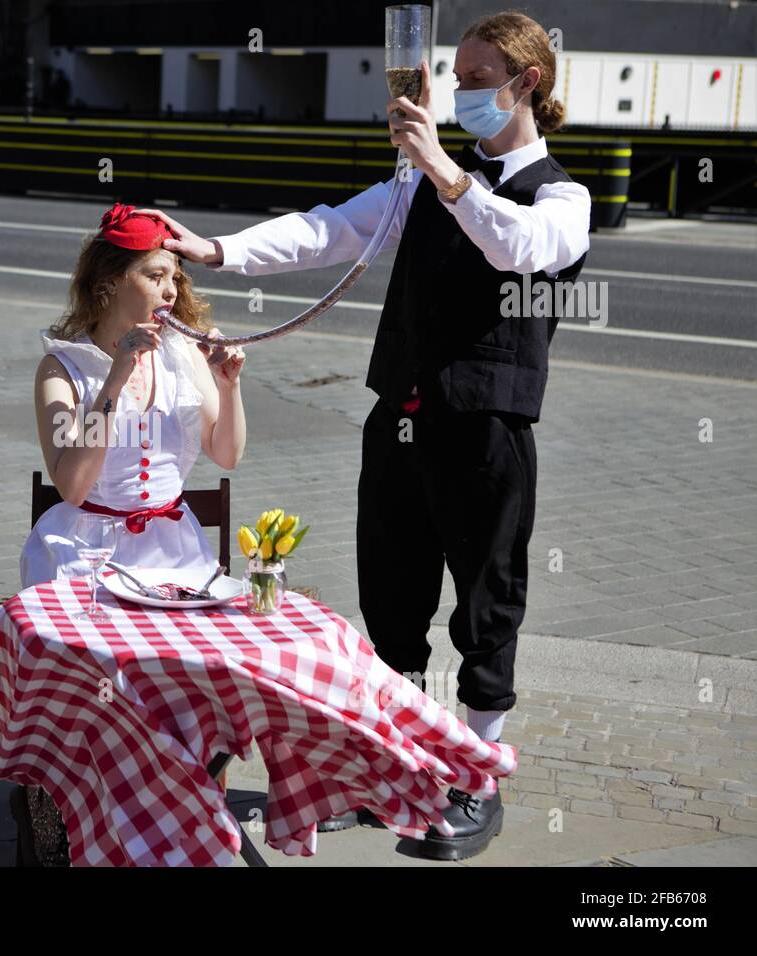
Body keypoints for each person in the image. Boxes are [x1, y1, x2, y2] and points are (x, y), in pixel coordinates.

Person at [138, 10, 590, 860]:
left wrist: (443, 169)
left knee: (486, 610)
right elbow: (329, 230)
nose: (459, 90)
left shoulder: (560, 195)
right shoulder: (419, 183)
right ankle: (396, 771)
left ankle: (478, 782)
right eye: (455, 74)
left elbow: (519, 249)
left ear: (527, 83)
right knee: (392, 602)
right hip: (401, 423)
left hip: (487, 429)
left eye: (477, 76)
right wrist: (216, 249)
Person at [12, 202, 248, 865]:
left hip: (172, 548)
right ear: (111, 282)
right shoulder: (64, 368)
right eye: (155, 275)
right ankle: (65, 805)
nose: (171, 291)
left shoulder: (184, 355)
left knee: (204, 663)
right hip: (88, 547)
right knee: (92, 669)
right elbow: (73, 484)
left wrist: (228, 389)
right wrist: (115, 375)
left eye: (175, 277)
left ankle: (176, 808)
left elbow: (227, 454)